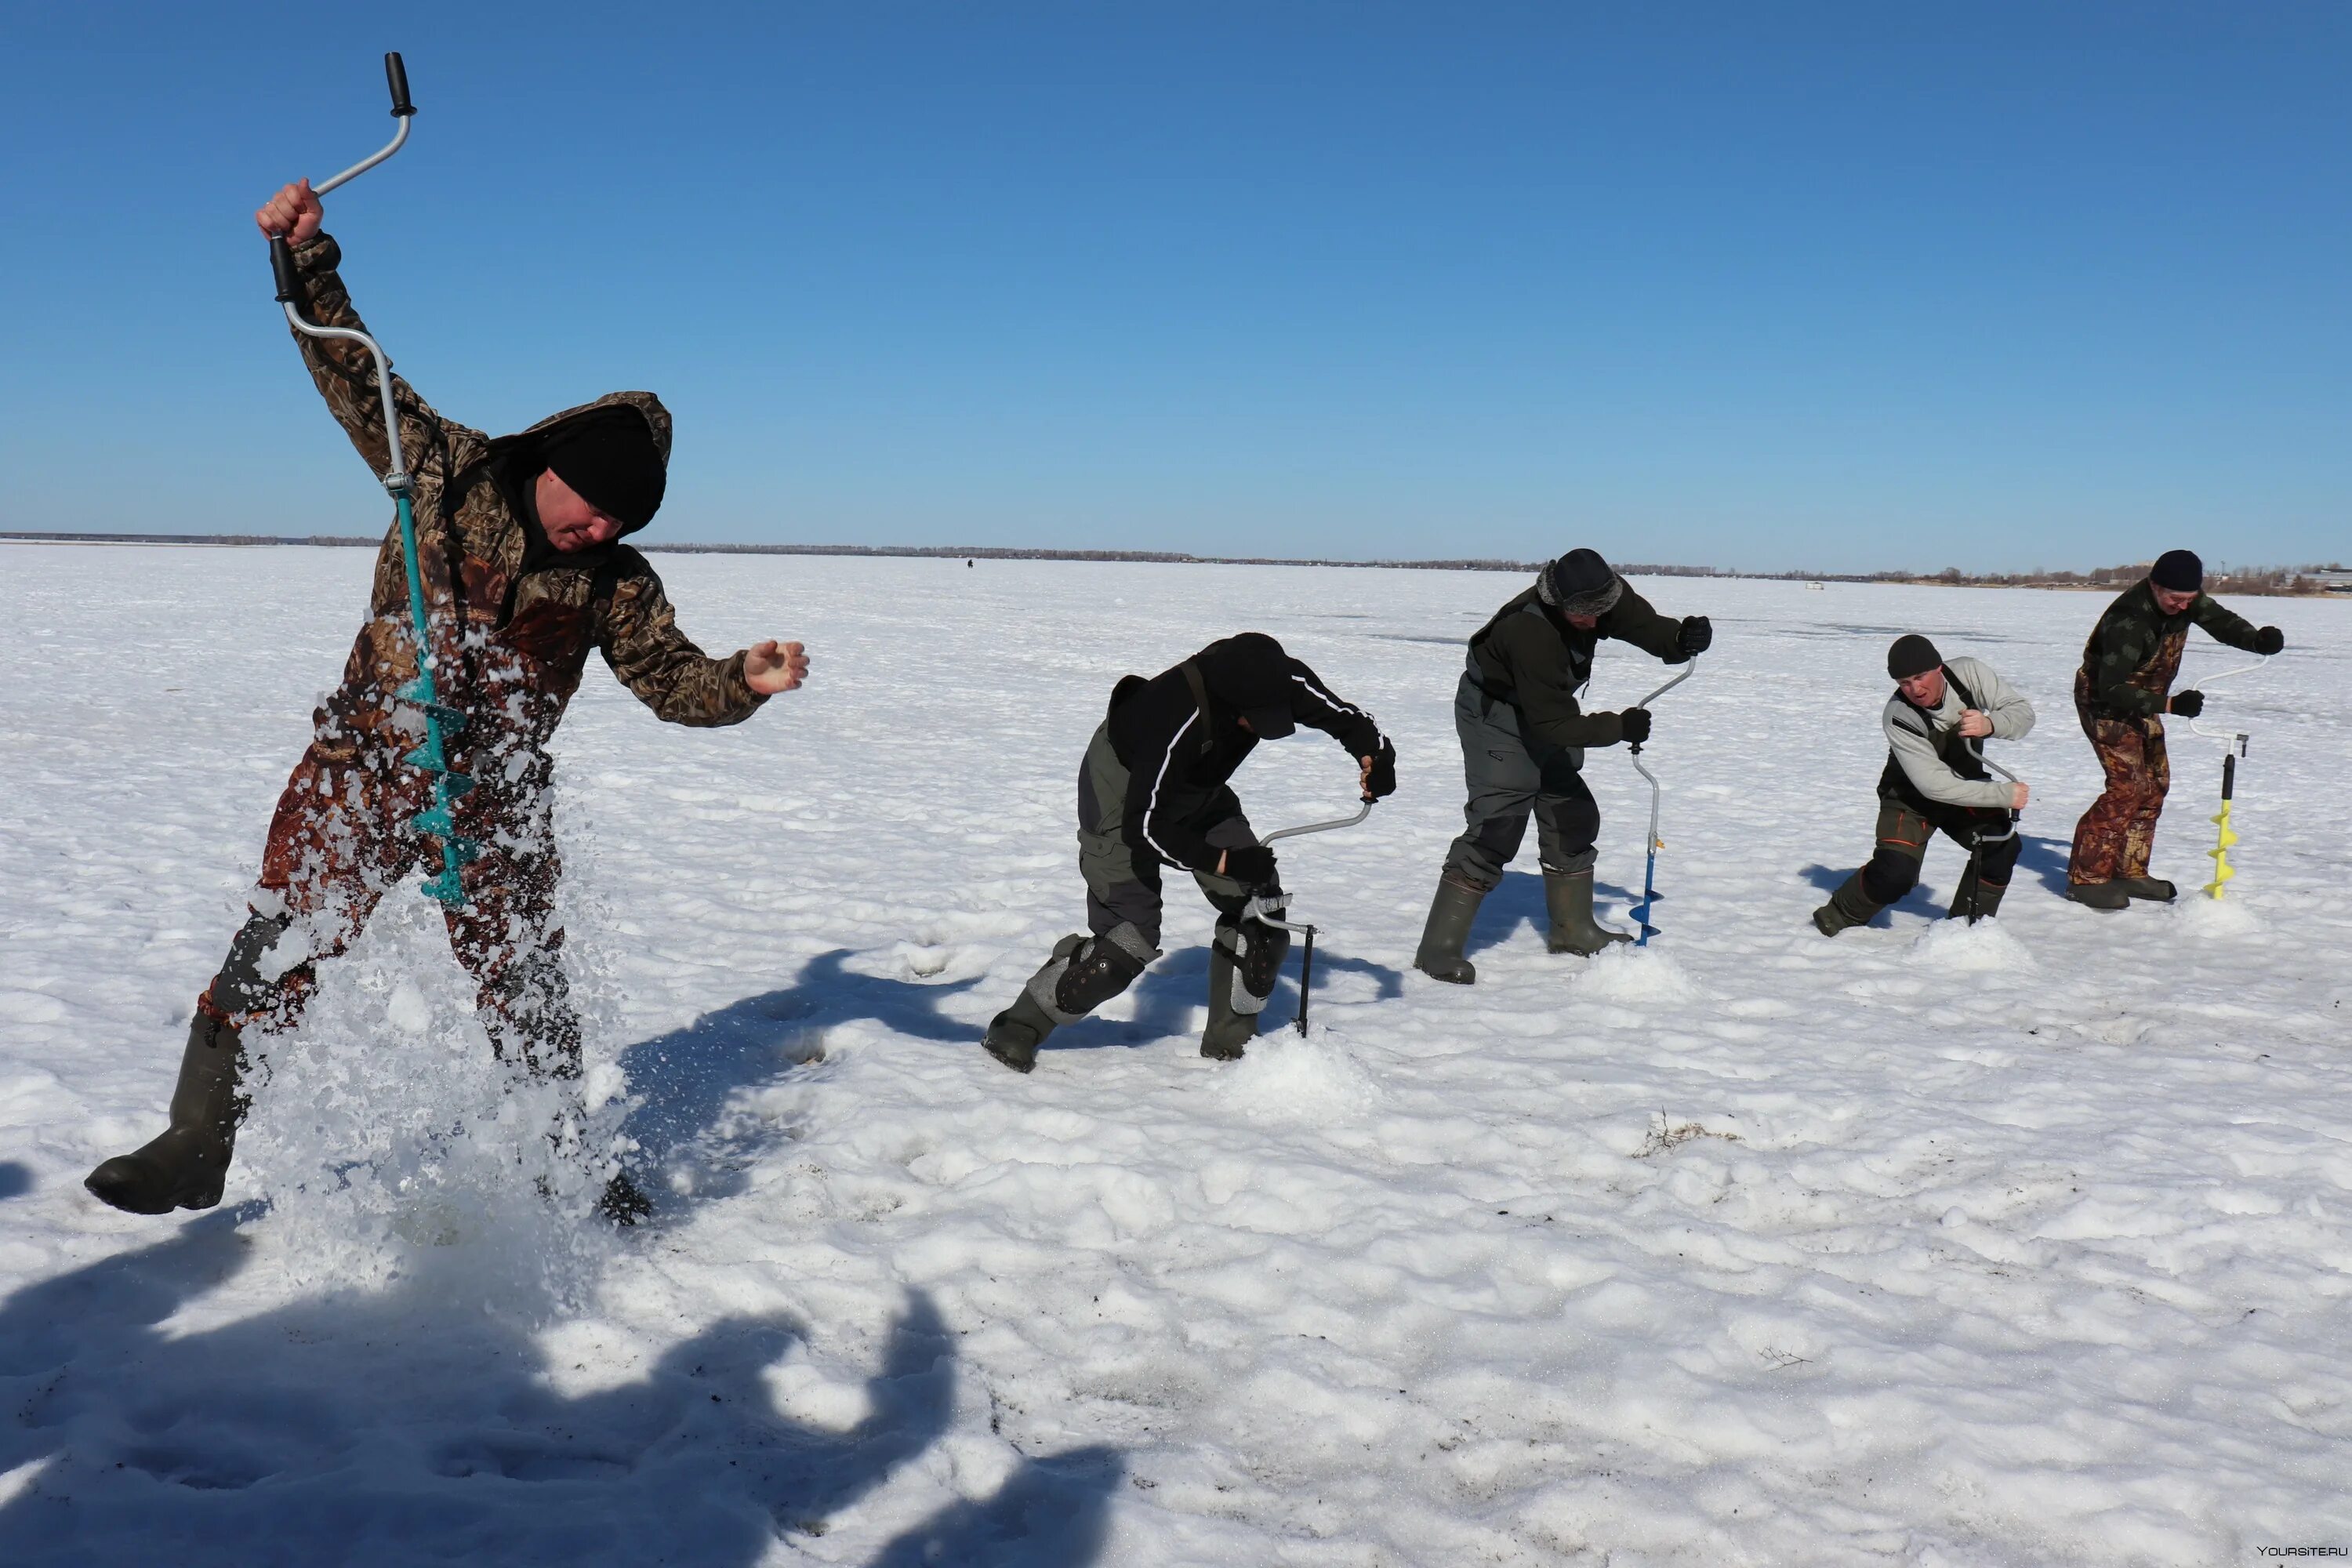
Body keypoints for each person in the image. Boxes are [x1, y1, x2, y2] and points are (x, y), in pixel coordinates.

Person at [84, 180, 811, 1222]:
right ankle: (196, 1143)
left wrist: (742, 681)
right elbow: (346, 355)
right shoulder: (440, 471)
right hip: (362, 769)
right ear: (553, 466)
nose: (601, 531)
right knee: (279, 941)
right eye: (594, 508)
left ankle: (566, 1169)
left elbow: (671, 680)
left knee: (529, 994)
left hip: (495, 798)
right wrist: (303, 253)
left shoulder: (619, 584)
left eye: (622, 522)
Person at [982, 633, 1396, 1071]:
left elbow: (1347, 718)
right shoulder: (1176, 716)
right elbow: (1145, 828)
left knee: (1261, 911)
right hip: (1125, 793)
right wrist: (1225, 861)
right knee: (1125, 944)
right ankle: (1018, 1027)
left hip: (1198, 787)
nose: (1261, 730)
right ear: (1231, 704)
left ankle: (1232, 1044)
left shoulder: (1280, 679)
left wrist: (1375, 754)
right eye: (1253, 721)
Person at [1412, 550, 1708, 982]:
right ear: (1558, 602)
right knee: (1499, 825)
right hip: (1498, 718)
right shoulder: (1528, 630)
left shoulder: (1601, 595)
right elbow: (1551, 723)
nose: (1592, 624)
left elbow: (1640, 623)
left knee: (1573, 815)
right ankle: (1438, 949)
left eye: (1598, 614)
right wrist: (1619, 725)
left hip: (1548, 712)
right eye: (1581, 617)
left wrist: (1680, 640)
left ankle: (1574, 931)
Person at [2067, 550, 2285, 909]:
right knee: (2127, 787)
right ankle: (2086, 878)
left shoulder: (2187, 600)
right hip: (2105, 703)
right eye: (2175, 599)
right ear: (2154, 586)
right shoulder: (2128, 620)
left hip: (2144, 701)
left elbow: (2221, 621)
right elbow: (2112, 688)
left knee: (2154, 785)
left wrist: (2255, 640)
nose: (2183, 607)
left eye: (2189, 599)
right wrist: (2169, 705)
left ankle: (2130, 870)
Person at [1813, 636, 2034, 935]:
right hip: (1909, 798)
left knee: (2001, 844)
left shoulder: (1968, 673)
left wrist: (1992, 724)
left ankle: (1966, 932)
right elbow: (1933, 785)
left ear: (1939, 668)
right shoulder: (1898, 715)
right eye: (1904, 682)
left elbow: (2022, 713)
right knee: (1895, 874)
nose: (1915, 689)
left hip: (1966, 786)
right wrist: (2002, 794)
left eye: (1920, 677)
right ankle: (1837, 917)